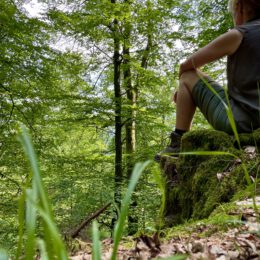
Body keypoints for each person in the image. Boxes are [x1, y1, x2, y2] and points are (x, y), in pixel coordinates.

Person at [155, 0, 260, 161]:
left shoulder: (239, 34)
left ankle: (178, 143)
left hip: (242, 123)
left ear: (239, 7)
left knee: (188, 76)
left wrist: (182, 91)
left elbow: (187, 65)